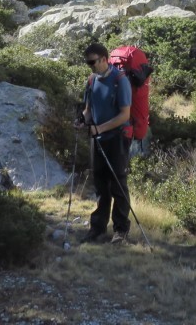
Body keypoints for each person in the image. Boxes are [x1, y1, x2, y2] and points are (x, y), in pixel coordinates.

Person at [76, 43, 132, 244]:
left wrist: (100, 128)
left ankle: (121, 230)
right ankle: (98, 228)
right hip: (97, 139)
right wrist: (83, 120)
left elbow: (124, 115)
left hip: (117, 138)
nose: (90, 66)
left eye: (93, 62)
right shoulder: (92, 80)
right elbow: (89, 109)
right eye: (88, 62)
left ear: (104, 59)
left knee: (118, 184)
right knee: (100, 185)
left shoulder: (120, 81)